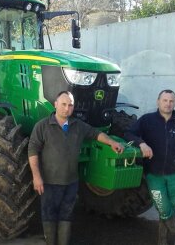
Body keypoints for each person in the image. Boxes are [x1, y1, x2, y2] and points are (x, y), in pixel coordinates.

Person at [28, 91, 124, 245]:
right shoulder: (42, 126)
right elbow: (32, 150)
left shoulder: (77, 125)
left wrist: (111, 142)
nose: (67, 108)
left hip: (71, 182)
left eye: (70, 105)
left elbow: (95, 134)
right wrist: (36, 176)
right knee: (49, 215)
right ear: (55, 105)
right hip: (49, 183)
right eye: (64, 104)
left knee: (66, 215)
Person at [125, 89, 175, 245]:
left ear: (174, 103)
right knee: (164, 208)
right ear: (158, 101)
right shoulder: (147, 120)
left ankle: (162, 241)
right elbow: (129, 134)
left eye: (171, 101)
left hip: (174, 174)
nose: (168, 104)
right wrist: (141, 144)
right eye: (165, 100)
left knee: (171, 209)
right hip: (154, 174)